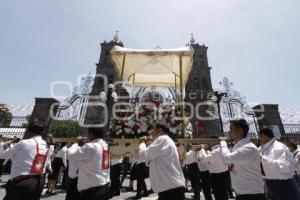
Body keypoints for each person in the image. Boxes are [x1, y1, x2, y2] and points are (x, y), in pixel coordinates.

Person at [0, 121, 50, 200]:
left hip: (21, 182)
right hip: (39, 182)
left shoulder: (24, 143)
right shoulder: (47, 146)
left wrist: (5, 147)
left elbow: (3, 155)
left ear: (29, 132)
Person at [219, 119, 265, 200]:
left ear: (240, 130)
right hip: (242, 194)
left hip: (252, 195)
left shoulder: (248, 148)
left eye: (231, 128)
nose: (229, 131)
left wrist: (223, 144)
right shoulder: (238, 146)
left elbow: (228, 158)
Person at [139, 123, 186, 200]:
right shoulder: (166, 140)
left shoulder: (162, 139)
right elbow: (150, 160)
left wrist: (142, 143)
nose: (151, 134)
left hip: (170, 191)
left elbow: (144, 155)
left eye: (153, 131)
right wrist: (149, 144)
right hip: (171, 189)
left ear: (160, 131)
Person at [258, 127, 300, 200]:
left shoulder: (278, 147)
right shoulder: (263, 148)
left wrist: (263, 159)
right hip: (270, 184)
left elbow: (285, 167)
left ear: (263, 135)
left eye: (259, 137)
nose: (259, 139)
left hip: (283, 185)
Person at [69, 127, 110, 200]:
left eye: (88, 134)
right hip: (103, 186)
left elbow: (71, 155)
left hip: (92, 191)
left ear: (91, 134)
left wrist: (76, 144)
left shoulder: (90, 146)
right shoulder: (105, 145)